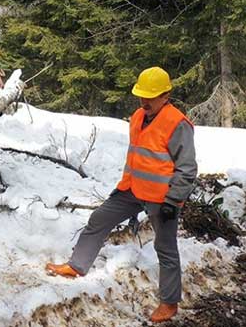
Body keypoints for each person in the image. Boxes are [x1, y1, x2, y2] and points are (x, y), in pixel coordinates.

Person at [45, 66, 197, 323]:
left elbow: (188, 167)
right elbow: (137, 157)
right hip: (133, 189)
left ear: (166, 96)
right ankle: (77, 265)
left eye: (150, 96)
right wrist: (123, 184)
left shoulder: (178, 124)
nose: (144, 101)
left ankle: (169, 304)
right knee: (99, 219)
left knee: (166, 248)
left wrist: (174, 201)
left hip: (163, 198)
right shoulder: (138, 116)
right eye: (141, 95)